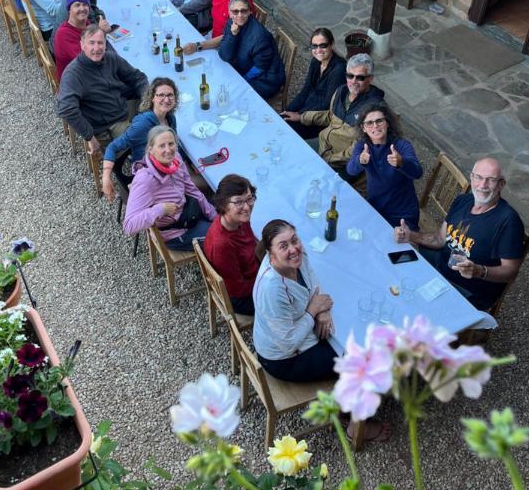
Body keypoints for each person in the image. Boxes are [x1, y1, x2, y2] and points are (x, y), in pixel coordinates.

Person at [253, 220, 389, 443]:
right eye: (283, 245)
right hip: (284, 358)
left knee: (350, 333)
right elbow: (288, 343)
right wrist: (313, 310)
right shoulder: (272, 288)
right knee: (362, 358)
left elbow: (313, 280)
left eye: (294, 240)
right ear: (270, 253)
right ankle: (354, 424)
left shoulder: (298, 257)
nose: (293, 248)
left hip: (297, 332)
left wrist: (322, 312)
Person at [394, 157, 525, 310]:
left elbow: (510, 272)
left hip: (467, 290)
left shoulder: (508, 221)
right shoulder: (463, 201)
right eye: (479, 177)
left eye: (490, 180)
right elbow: (440, 239)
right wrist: (410, 235)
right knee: (396, 276)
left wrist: (479, 271)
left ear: (501, 184)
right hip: (440, 270)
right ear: (471, 177)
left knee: (411, 307)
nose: (483, 185)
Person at [57, 25, 148, 157]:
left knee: (160, 99)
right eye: (91, 43)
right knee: (147, 143)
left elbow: (137, 77)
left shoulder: (110, 58)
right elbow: (66, 109)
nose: (97, 48)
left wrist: (147, 100)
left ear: (106, 44)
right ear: (82, 45)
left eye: (100, 43)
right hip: (109, 124)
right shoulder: (73, 74)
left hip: (121, 107)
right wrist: (89, 136)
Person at [123, 127, 216, 252]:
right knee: (223, 237)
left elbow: (192, 190)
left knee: (227, 214)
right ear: (151, 150)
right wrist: (160, 209)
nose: (168, 150)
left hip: (188, 212)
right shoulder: (145, 180)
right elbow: (129, 225)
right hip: (175, 232)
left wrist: (213, 214)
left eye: (171, 144)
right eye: (161, 146)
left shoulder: (175, 159)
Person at [298, 53, 384, 176]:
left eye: (360, 77)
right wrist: (301, 116)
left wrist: (327, 160)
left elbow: (359, 149)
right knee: (294, 152)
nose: (353, 81)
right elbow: (330, 116)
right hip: (323, 144)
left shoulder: (375, 110)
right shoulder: (341, 91)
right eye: (350, 75)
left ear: (370, 78)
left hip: (342, 162)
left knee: (310, 179)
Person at [101, 77, 179, 201]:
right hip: (148, 176)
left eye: (170, 95)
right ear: (152, 98)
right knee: (199, 185)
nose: (166, 99)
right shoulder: (143, 124)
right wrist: (106, 178)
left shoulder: (170, 119)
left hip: (165, 166)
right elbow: (113, 147)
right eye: (161, 95)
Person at [347, 102, 423, 229]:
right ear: (363, 128)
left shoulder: (402, 145)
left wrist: (401, 162)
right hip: (375, 208)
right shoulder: (362, 145)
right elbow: (350, 170)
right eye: (369, 123)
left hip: (402, 215)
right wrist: (360, 161)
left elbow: (418, 173)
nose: (375, 126)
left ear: (387, 123)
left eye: (379, 121)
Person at [204, 175, 260, 315]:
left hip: (252, 273)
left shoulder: (237, 219)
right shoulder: (222, 245)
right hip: (242, 296)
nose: (247, 207)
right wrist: (268, 281)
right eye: (238, 202)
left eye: (249, 198)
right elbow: (238, 289)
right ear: (223, 205)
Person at [281, 28, 346, 140]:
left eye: (323, 45)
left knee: (286, 131)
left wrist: (300, 116)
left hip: (320, 119)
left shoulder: (339, 69)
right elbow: (305, 91)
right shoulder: (316, 61)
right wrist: (289, 110)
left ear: (331, 45)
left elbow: (327, 105)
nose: (318, 50)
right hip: (307, 109)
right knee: (282, 119)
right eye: (314, 46)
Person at [218, 0, 285, 98]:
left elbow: (260, 67)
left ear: (250, 12)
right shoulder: (231, 24)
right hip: (244, 67)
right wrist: (232, 35)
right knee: (221, 84)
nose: (239, 15)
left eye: (243, 11)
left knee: (233, 95)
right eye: (235, 11)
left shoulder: (259, 36)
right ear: (229, 13)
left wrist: (242, 80)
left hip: (265, 79)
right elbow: (224, 55)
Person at [53, 0, 91, 82]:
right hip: (75, 83)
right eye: (77, 5)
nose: (82, 8)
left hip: (87, 73)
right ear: (69, 10)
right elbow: (87, 62)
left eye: (85, 4)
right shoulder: (63, 34)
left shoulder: (86, 23)